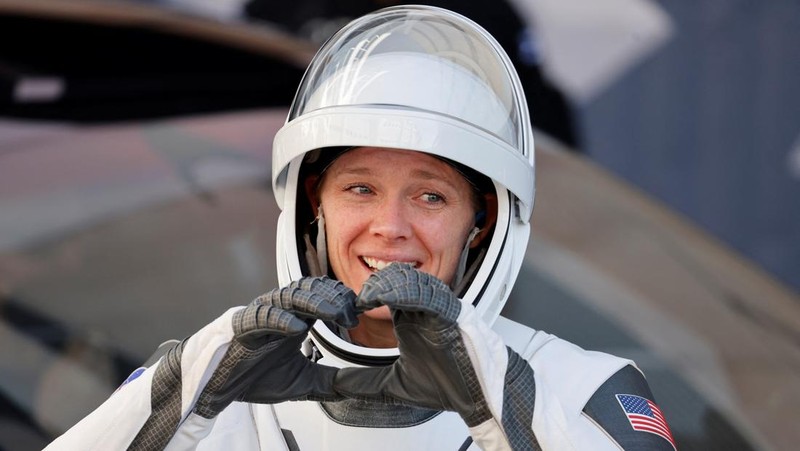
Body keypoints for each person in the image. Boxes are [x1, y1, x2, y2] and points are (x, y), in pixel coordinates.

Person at [45, 5, 675, 450]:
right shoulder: (218, 378)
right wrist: (184, 397)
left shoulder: (582, 388)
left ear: (481, 223)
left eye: (430, 196)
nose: (390, 226)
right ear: (313, 203)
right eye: (360, 189)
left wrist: (501, 404)